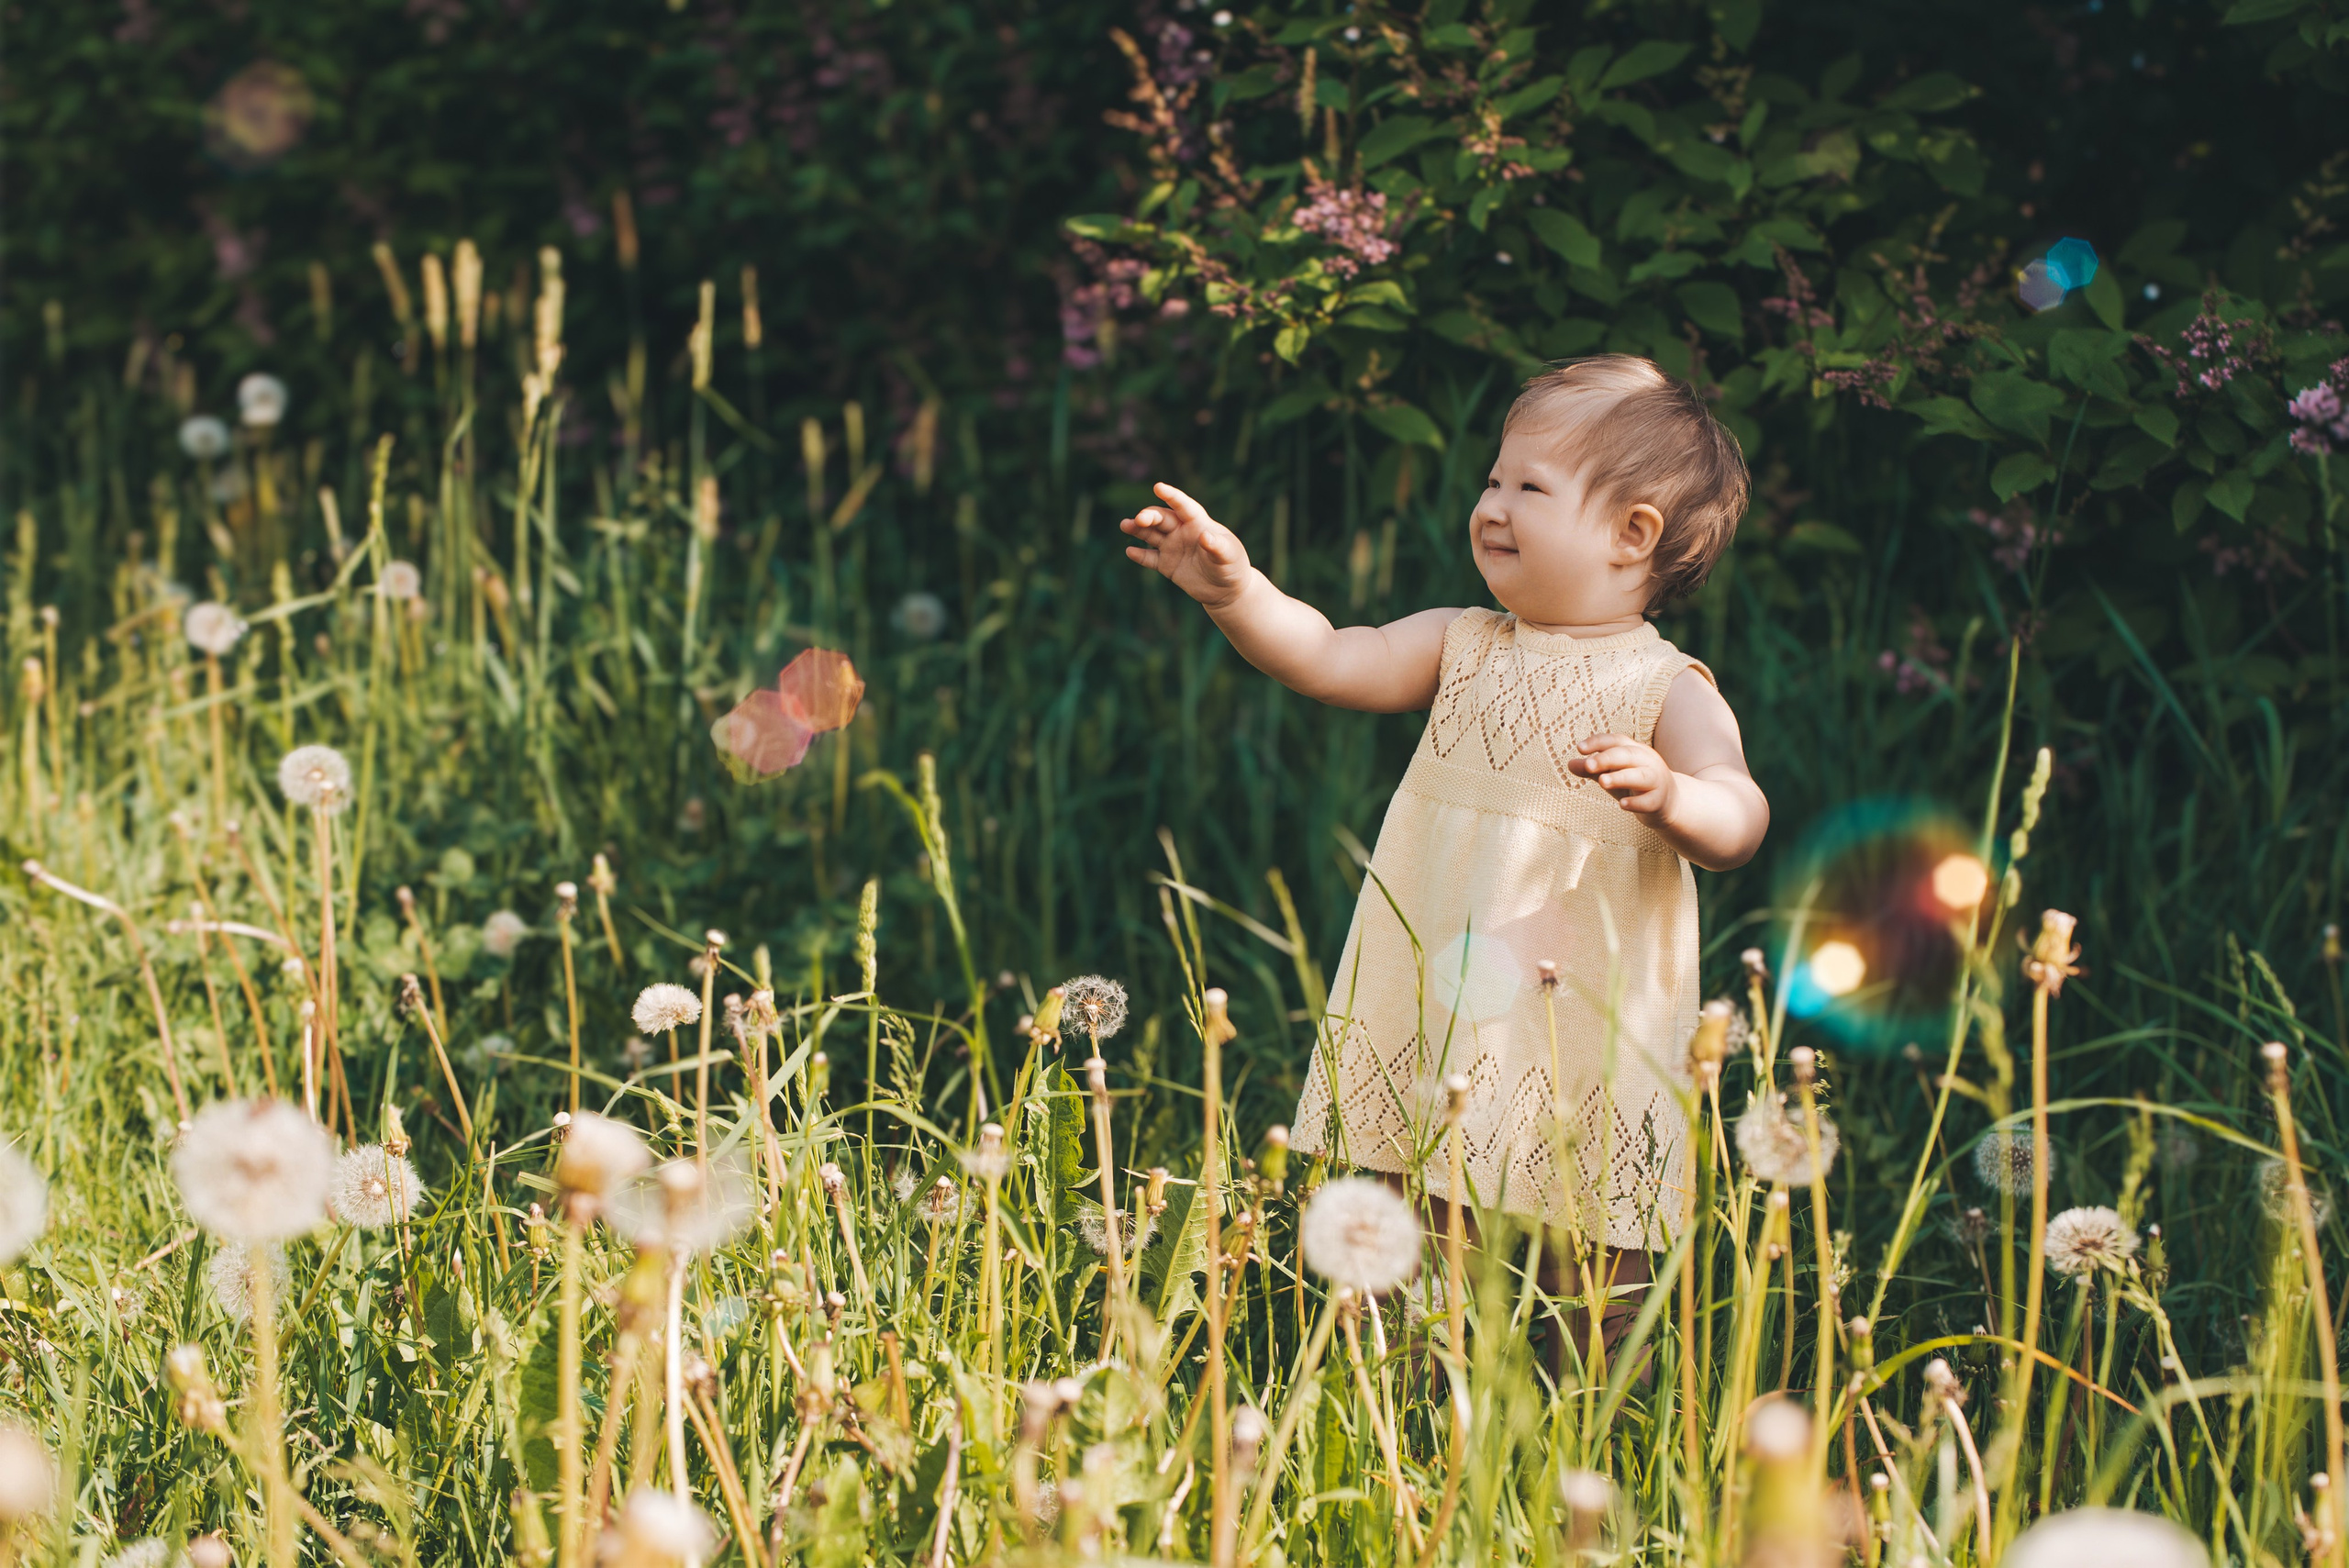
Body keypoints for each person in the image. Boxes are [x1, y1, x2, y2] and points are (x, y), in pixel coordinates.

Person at [1120, 354, 1767, 1363]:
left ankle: (1581, 1409)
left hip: (1581, 1014)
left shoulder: (1663, 688)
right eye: (1492, 479)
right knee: (1417, 1186)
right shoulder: (1462, 642)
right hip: (1443, 987)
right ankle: (1401, 1388)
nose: (1491, 505)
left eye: (1529, 487)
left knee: (1590, 1227)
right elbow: (1330, 656)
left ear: (1630, 534)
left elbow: (1739, 812)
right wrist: (1236, 592)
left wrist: (1677, 796)